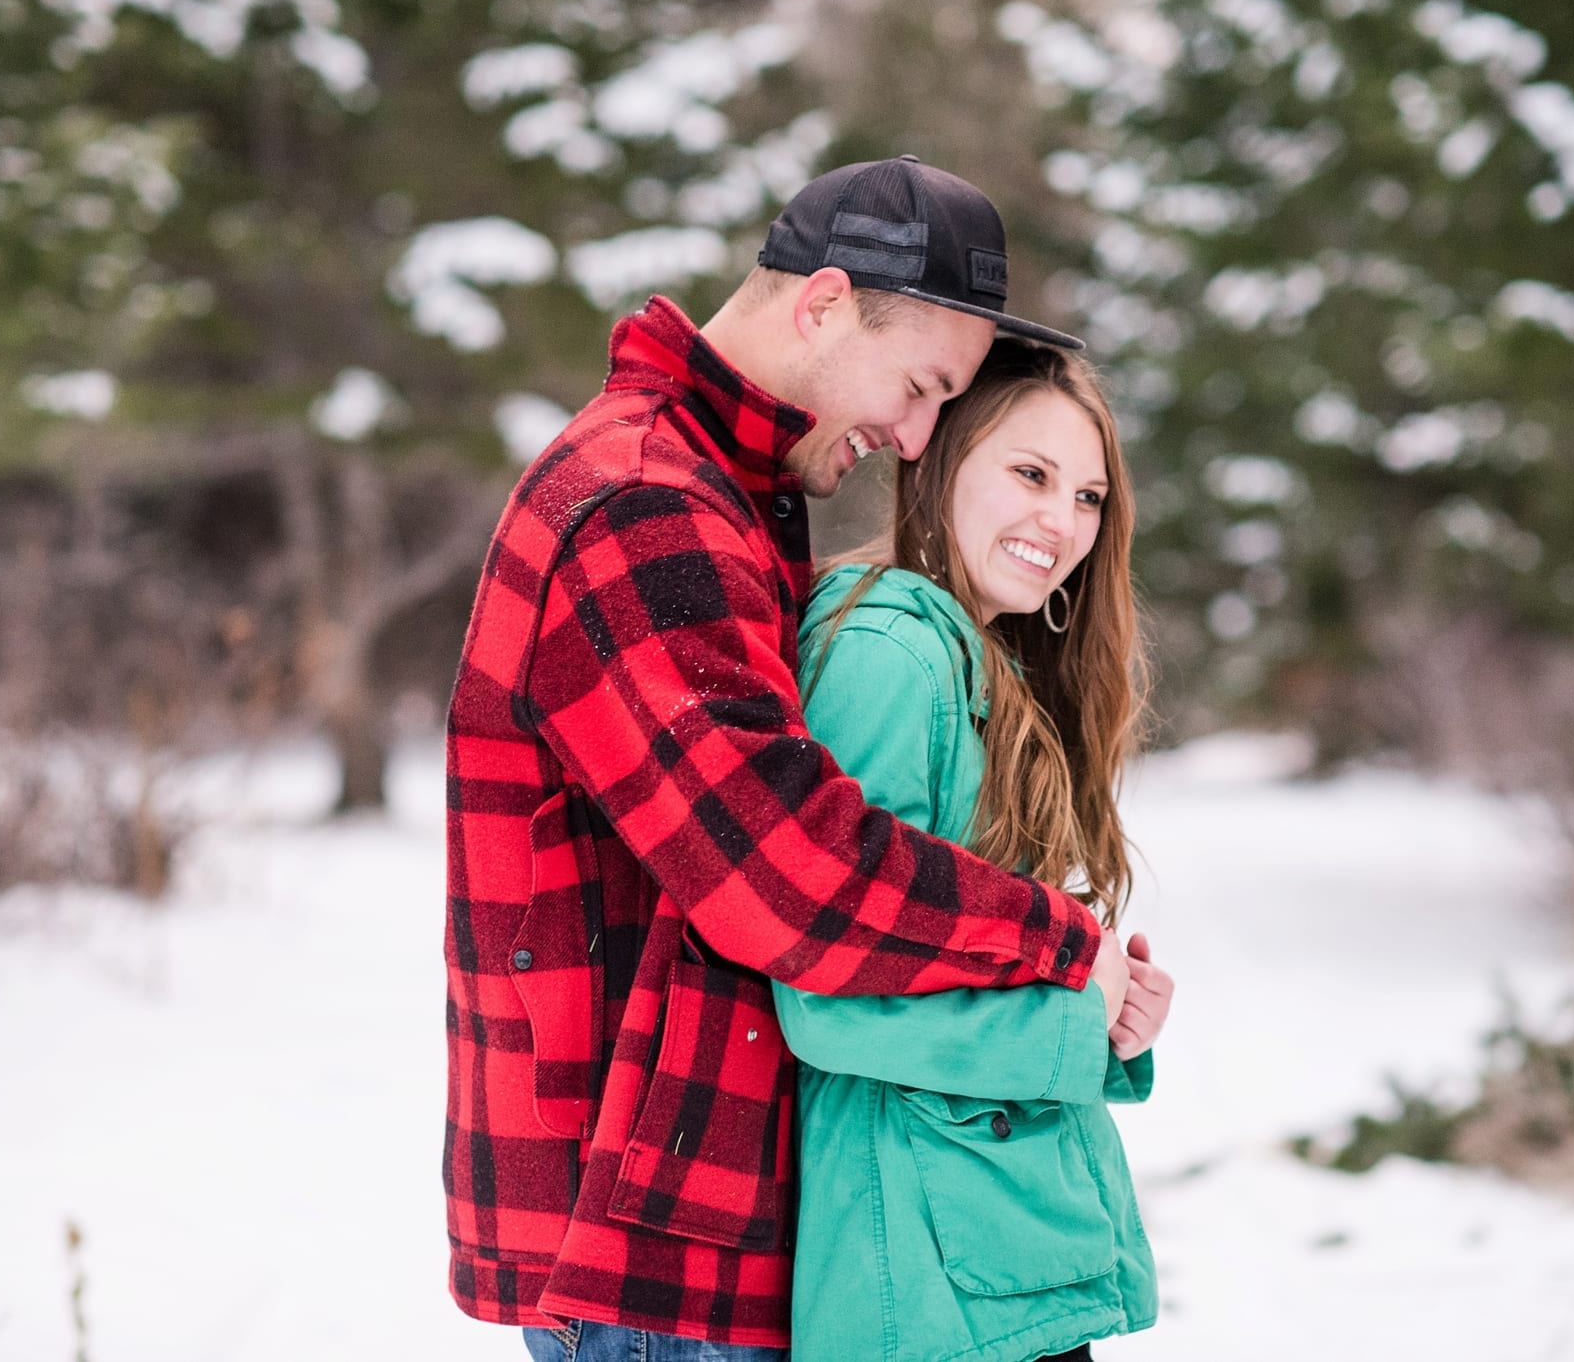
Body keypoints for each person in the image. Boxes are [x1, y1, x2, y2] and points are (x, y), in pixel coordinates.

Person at [444, 157, 1134, 1360]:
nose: (914, 436)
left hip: (697, 1223)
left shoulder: (721, 492)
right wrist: (1062, 947)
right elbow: (792, 868)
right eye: (920, 386)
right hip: (654, 1246)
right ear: (821, 304)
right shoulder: (643, 503)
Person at [775, 339, 1173, 1362]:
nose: (1062, 521)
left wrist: (1108, 1013)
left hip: (991, 1252)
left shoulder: (976, 659)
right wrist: (1066, 1028)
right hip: (925, 1269)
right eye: (1031, 475)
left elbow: (962, 946)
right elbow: (829, 988)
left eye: (1088, 496)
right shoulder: (888, 655)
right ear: (940, 461)